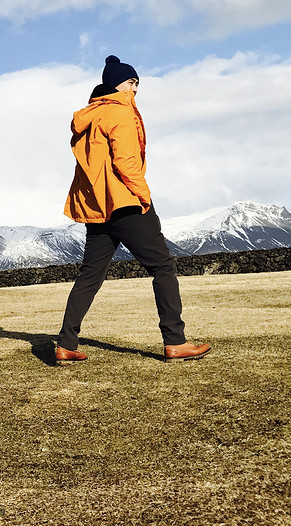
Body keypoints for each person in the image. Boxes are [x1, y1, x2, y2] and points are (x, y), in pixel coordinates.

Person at [55, 55, 210, 364]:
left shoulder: (89, 117)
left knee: (90, 276)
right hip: (125, 203)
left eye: (137, 82)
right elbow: (126, 162)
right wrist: (144, 198)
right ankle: (175, 342)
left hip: (98, 208)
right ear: (115, 84)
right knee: (163, 267)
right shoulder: (120, 113)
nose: (136, 88)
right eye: (130, 82)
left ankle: (66, 344)